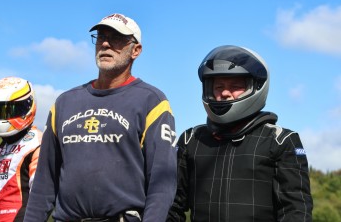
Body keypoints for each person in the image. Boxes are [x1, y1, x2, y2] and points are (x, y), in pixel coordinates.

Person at [24, 13, 177, 222]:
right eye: (101, 36)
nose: (105, 43)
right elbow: (44, 182)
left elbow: (162, 183)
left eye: (116, 38)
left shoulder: (152, 102)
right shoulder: (64, 103)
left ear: (136, 50)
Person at [167, 45, 313, 221]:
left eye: (235, 86)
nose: (225, 93)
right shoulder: (192, 140)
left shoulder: (281, 141)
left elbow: (296, 211)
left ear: (256, 86)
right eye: (218, 86)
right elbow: (172, 206)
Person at [0, 76, 42, 222]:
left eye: (10, 111)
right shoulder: (0, 149)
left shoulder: (37, 143)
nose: (3, 117)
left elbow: (41, 195)